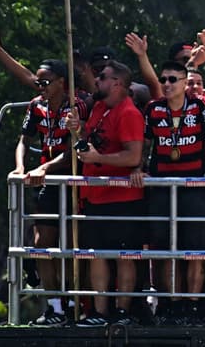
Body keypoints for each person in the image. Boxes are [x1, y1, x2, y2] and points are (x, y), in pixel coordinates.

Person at [137, 60, 205, 325]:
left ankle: (192, 306)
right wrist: (139, 168)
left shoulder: (200, 107)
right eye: (163, 79)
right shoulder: (153, 109)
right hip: (162, 188)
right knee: (165, 250)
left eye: (172, 80)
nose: (166, 84)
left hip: (193, 187)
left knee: (195, 251)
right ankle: (170, 304)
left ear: (184, 82)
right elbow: (145, 143)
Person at [68, 61, 145, 326]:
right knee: (96, 254)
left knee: (125, 256)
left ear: (117, 84)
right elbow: (87, 143)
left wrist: (100, 157)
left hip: (122, 198)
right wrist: (77, 129)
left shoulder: (129, 113)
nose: (96, 80)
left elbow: (134, 155)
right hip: (94, 195)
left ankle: (122, 311)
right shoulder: (99, 107)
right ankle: (99, 313)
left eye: (102, 77)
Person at [14, 59, 88, 326]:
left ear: (61, 82)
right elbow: (24, 139)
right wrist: (21, 167)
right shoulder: (37, 106)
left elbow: (74, 151)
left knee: (69, 246)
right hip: (46, 183)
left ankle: (71, 303)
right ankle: (53, 307)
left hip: (71, 182)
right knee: (42, 244)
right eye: (39, 82)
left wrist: (45, 167)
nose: (40, 86)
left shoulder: (76, 106)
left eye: (46, 82)